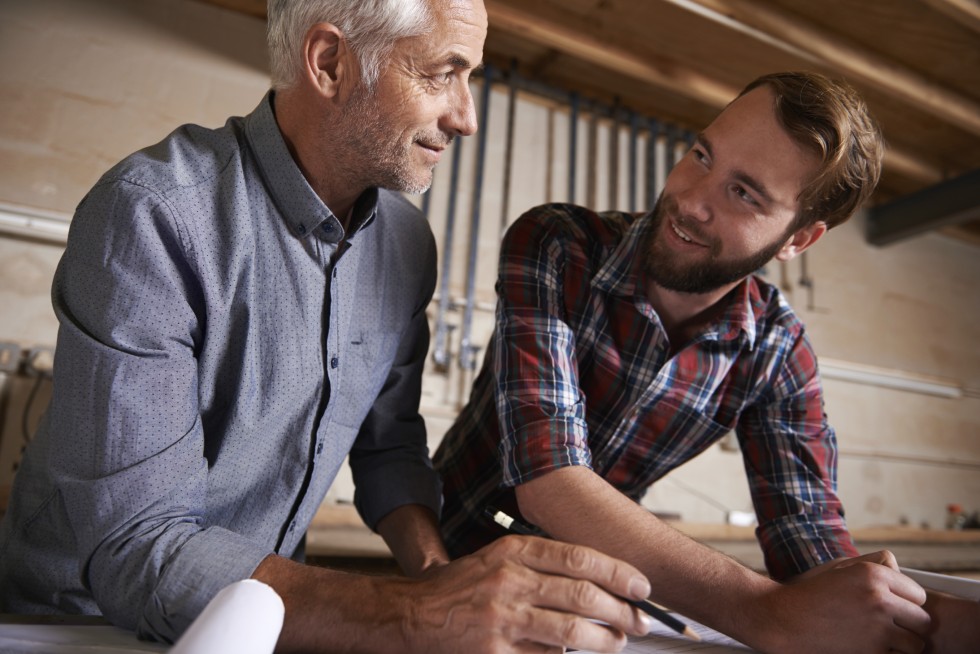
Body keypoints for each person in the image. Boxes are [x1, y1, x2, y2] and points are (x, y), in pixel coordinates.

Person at [0, 1, 656, 651]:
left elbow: (388, 446)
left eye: (471, 76)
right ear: (330, 63)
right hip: (75, 626)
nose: (467, 117)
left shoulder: (406, 246)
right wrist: (420, 612)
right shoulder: (153, 217)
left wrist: (439, 576)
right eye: (441, 73)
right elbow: (135, 547)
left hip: (262, 626)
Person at [435, 71, 980, 653]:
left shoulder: (777, 351)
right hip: (438, 550)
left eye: (744, 193)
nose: (691, 200)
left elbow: (809, 542)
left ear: (799, 239)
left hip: (583, 580)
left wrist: (928, 621)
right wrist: (765, 613)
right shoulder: (559, 243)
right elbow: (550, 481)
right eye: (701, 155)